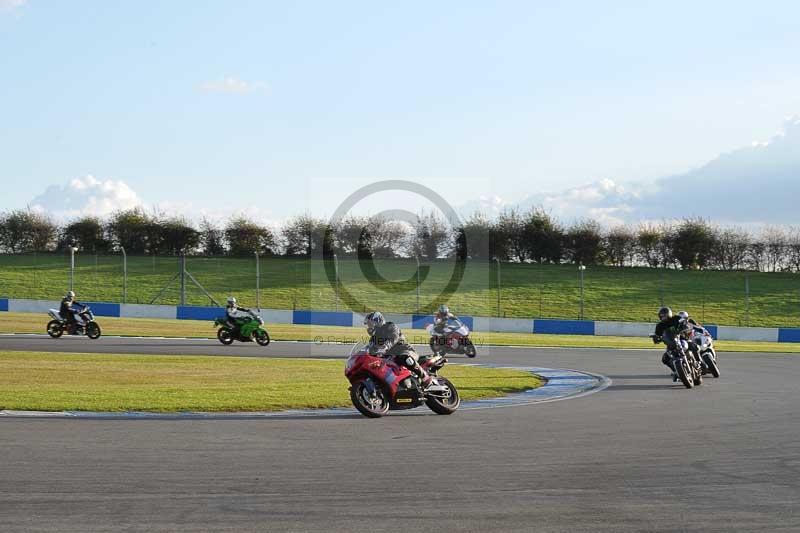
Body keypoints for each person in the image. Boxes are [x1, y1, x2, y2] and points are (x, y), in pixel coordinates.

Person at [364, 311, 432, 388]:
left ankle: (425, 377)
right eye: (368, 325)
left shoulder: (390, 326)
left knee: (405, 357)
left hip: (405, 350)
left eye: (371, 324)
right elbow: (369, 348)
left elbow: (393, 338)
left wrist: (385, 346)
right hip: (391, 357)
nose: (369, 327)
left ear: (378, 321)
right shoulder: (374, 338)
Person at [652, 306, 695, 380]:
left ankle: (699, 362)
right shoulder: (659, 326)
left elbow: (684, 323)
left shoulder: (676, 319)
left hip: (681, 339)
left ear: (669, 314)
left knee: (693, 346)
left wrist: (684, 326)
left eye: (664, 316)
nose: (663, 318)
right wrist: (656, 338)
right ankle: (676, 371)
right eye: (661, 316)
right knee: (665, 359)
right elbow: (657, 336)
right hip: (670, 343)